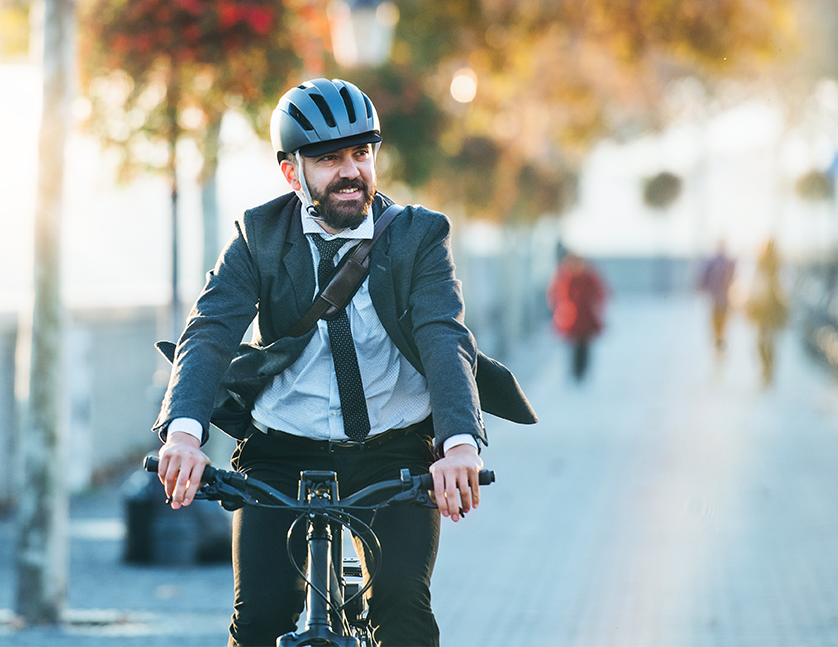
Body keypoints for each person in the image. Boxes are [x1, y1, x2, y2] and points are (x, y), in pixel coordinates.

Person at [151, 78, 531, 647]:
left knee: (402, 609)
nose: (351, 171)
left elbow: (443, 336)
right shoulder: (260, 236)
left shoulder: (418, 236)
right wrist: (183, 436)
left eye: (361, 153)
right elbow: (208, 332)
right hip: (280, 450)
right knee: (258, 620)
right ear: (292, 172)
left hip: (395, 450)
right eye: (329, 159)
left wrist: (458, 448)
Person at [546, 253, 608, 381]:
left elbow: (599, 295)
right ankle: (574, 372)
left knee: (585, 346)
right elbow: (555, 295)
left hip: (586, 318)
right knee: (573, 347)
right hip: (570, 319)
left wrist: (597, 311)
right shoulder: (564, 278)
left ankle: (583, 372)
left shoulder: (589, 278)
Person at [745, 239, 789, 386]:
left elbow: (756, 285)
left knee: (765, 342)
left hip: (768, 308)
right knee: (766, 342)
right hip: (767, 308)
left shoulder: (774, 264)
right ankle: (767, 371)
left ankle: (767, 371)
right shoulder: (768, 263)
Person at [698, 242, 737, 356]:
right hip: (723, 301)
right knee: (721, 326)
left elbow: (703, 280)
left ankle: (718, 347)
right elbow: (733, 278)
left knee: (717, 326)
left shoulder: (713, 263)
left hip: (716, 300)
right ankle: (719, 346)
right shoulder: (726, 262)